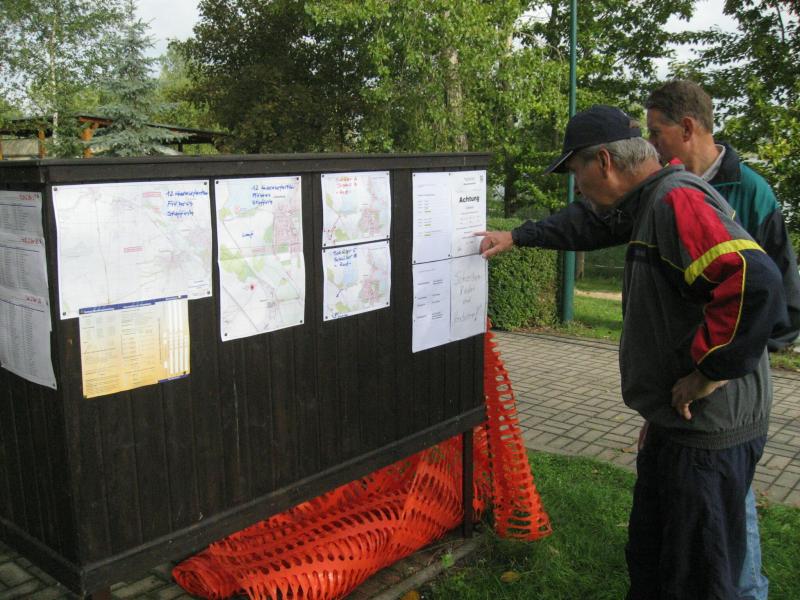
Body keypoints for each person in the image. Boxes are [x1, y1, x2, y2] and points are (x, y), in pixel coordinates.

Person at [476, 105, 787, 599]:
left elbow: (755, 279)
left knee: (699, 576)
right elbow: (589, 225)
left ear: (603, 161)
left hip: (707, 431)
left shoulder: (675, 202)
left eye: (575, 172)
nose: (577, 187)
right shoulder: (648, 201)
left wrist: (707, 373)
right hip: (677, 423)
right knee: (654, 560)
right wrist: (517, 236)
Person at [644, 79, 800, 600]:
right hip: (691, 373)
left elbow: (779, 296)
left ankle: (748, 589)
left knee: (730, 503)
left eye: (656, 132)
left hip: (727, 376)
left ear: (687, 128)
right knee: (722, 503)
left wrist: (727, 367)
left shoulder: (748, 190)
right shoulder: (667, 188)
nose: (652, 144)